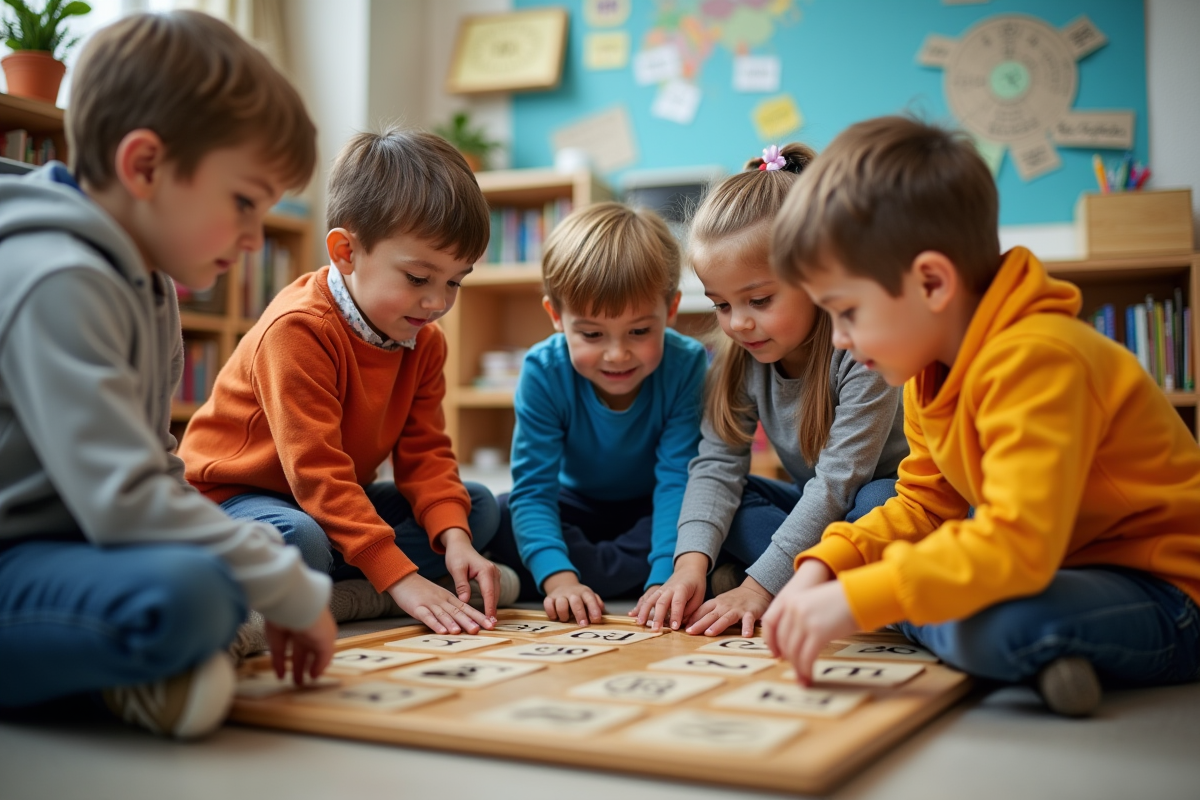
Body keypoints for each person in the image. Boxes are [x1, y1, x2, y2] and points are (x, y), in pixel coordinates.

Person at [761, 116, 1200, 717]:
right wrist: (826, 566)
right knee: (924, 591)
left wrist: (858, 599)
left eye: (848, 312)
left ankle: (1037, 647)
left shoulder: (1039, 358)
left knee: (984, 618)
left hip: (1170, 592)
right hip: (1060, 572)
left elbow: (1017, 543)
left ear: (932, 283)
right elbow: (923, 506)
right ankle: (1049, 657)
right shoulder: (927, 372)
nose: (837, 339)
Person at [0, 11, 335, 738]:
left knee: (251, 562)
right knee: (197, 595)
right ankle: (118, 682)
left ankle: (129, 666)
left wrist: (267, 574)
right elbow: (126, 501)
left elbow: (154, 465)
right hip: (20, 556)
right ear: (145, 166)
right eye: (244, 202)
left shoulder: (146, 280)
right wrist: (284, 591)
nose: (255, 238)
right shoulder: (60, 277)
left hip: (74, 547)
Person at [180, 129, 511, 636]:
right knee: (301, 540)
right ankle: (370, 574)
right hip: (235, 499)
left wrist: (456, 538)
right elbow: (316, 472)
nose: (438, 302)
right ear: (346, 252)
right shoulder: (298, 330)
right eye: (418, 279)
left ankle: (341, 576)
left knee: (476, 510)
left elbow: (425, 454)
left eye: (455, 281)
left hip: (330, 499)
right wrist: (401, 575)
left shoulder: (425, 340)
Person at [635, 145, 907, 637]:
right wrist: (688, 567)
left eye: (759, 300)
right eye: (721, 305)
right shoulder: (740, 357)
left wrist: (757, 588)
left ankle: (781, 580)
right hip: (818, 512)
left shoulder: (862, 348)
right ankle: (808, 580)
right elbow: (716, 467)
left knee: (876, 499)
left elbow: (839, 483)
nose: (738, 323)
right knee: (726, 503)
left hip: (882, 508)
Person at [486, 202, 708, 626]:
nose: (617, 354)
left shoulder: (687, 365)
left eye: (639, 331)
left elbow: (678, 483)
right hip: (575, 508)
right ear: (556, 316)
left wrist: (665, 581)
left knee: (717, 514)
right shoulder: (543, 370)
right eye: (591, 334)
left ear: (671, 310)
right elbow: (534, 490)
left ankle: (595, 574)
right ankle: (588, 574)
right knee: (499, 511)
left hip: (651, 510)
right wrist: (560, 581)